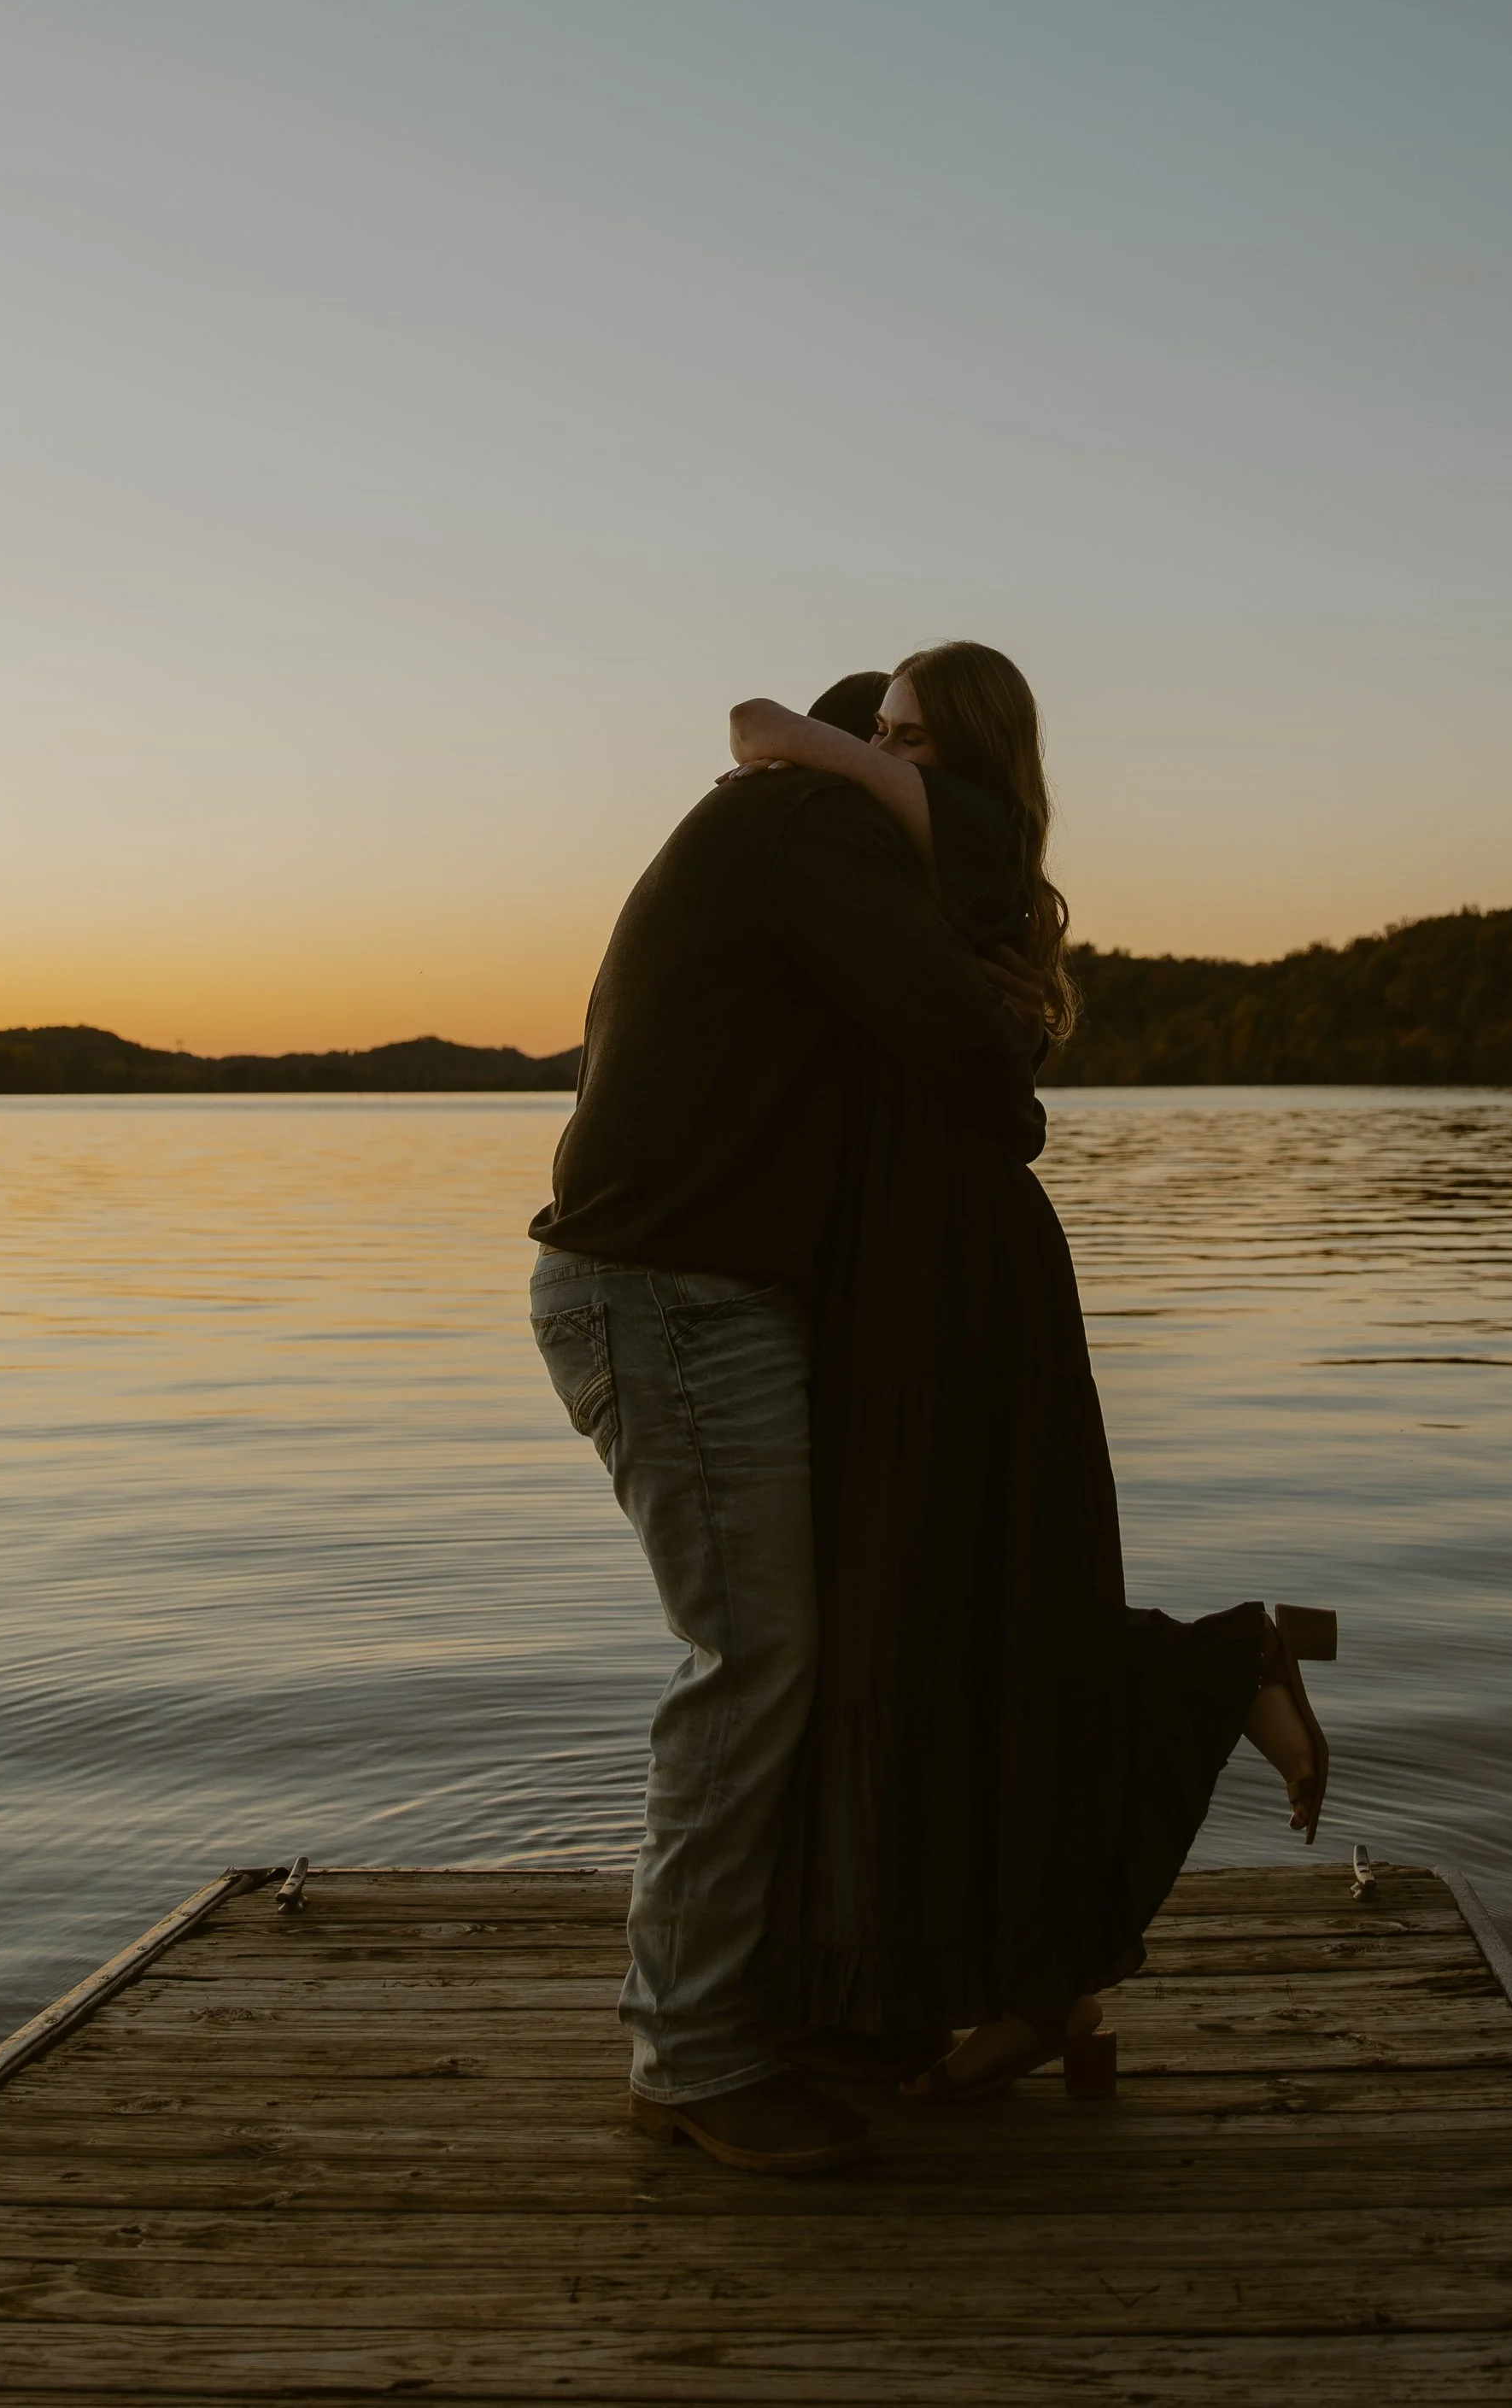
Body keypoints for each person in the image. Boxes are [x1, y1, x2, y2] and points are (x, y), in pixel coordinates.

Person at [730, 644, 1333, 2098]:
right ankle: (1042, 1985)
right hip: (916, 1270)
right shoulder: (923, 874)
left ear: (977, 755)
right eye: (884, 732)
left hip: (954, 1278)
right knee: (969, 1623)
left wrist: (843, 757)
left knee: (955, 1618)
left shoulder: (965, 835)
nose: (888, 754)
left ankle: (1220, 1678)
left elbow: (758, 728)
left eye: (914, 734)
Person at [527, 701, 1046, 2172]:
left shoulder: (789, 840)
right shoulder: (811, 823)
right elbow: (974, 1061)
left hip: (690, 1292)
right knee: (751, 1659)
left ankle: (787, 1998)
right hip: (670, 1295)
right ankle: (688, 2051)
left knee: (788, 1655)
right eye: (898, 748)